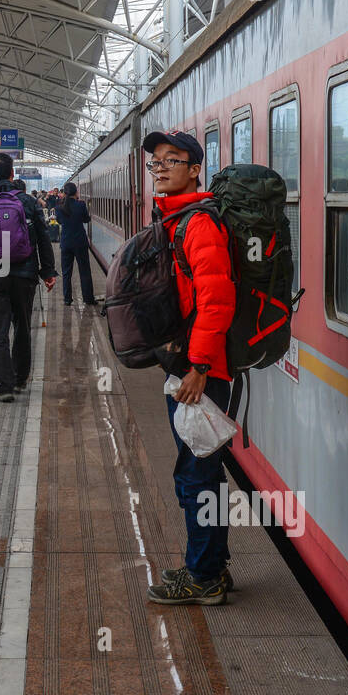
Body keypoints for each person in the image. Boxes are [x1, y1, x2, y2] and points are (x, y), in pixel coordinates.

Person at [139, 131, 236, 606]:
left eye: (172, 160)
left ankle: (204, 576)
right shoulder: (178, 218)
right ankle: (210, 566)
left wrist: (198, 366)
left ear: (195, 168)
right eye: (155, 162)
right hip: (188, 365)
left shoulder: (198, 224)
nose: (160, 167)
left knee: (196, 476)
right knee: (199, 472)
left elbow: (217, 301)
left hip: (202, 372)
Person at [0, 152, 57, 402]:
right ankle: (19, 379)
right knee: (23, 326)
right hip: (24, 273)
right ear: (13, 173)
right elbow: (43, 238)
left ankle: (3, 387)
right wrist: (48, 271)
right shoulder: (27, 201)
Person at [56, 181, 98, 308]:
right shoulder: (81, 205)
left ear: (64, 193)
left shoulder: (59, 207)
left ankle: (67, 299)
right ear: (76, 192)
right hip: (80, 242)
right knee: (84, 271)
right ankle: (88, 298)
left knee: (66, 272)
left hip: (66, 243)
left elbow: (59, 221)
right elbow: (86, 219)